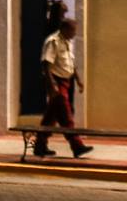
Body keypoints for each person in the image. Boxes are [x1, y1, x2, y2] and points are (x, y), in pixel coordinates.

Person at [36, 16, 92, 159]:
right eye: (72, 30)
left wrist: (78, 80)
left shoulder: (67, 42)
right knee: (66, 114)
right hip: (56, 81)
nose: (74, 33)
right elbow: (46, 63)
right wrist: (52, 84)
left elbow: (71, 64)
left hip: (66, 81)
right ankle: (76, 145)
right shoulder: (53, 41)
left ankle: (40, 145)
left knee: (51, 116)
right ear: (64, 29)